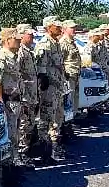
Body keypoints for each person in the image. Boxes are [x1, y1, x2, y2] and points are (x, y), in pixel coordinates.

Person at [0, 27, 27, 187]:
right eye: (16, 39)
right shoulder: (1, 58)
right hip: (9, 103)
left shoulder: (13, 57)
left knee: (15, 137)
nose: (19, 41)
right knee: (9, 138)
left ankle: (13, 167)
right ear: (7, 40)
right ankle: (7, 174)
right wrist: (1, 104)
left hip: (17, 102)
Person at [34, 16, 68, 163]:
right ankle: (46, 150)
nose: (60, 28)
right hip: (49, 89)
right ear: (49, 27)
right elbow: (41, 72)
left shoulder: (56, 43)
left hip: (57, 87)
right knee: (46, 119)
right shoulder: (44, 45)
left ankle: (56, 147)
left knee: (58, 117)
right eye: (57, 26)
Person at [14, 23, 39, 169]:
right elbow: (16, 76)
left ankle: (26, 153)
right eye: (29, 34)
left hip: (31, 95)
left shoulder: (28, 51)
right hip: (24, 96)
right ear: (21, 35)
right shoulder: (20, 52)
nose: (32, 36)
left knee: (29, 124)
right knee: (23, 126)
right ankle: (22, 155)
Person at [59, 20, 83, 142]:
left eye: (75, 27)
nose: (74, 29)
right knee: (68, 104)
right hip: (68, 78)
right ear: (64, 29)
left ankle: (70, 126)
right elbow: (60, 62)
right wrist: (64, 76)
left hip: (75, 76)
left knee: (74, 103)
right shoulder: (63, 43)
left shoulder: (72, 42)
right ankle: (66, 129)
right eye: (71, 28)